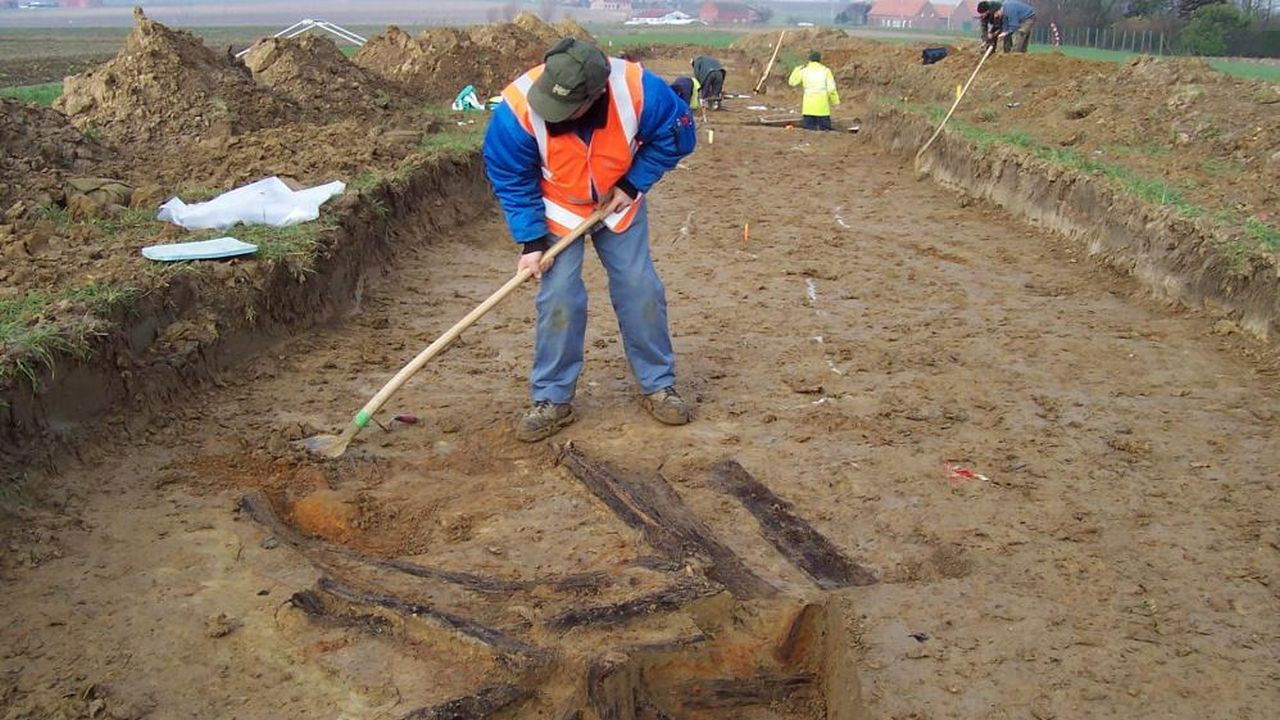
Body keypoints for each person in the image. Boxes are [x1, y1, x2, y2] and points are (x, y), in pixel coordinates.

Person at [483, 38, 698, 442]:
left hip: (617, 201)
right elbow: (510, 174)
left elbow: (677, 137)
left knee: (640, 287)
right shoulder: (516, 109)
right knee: (559, 296)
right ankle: (552, 399)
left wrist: (634, 184)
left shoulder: (639, 91)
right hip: (558, 205)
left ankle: (658, 385)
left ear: (595, 95)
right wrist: (531, 242)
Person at [787, 51, 840, 131]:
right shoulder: (826, 71)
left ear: (809, 60)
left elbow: (792, 82)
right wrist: (835, 102)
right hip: (822, 109)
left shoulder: (804, 70)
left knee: (809, 133)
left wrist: (797, 69)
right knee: (825, 132)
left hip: (808, 109)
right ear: (819, 60)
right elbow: (831, 89)